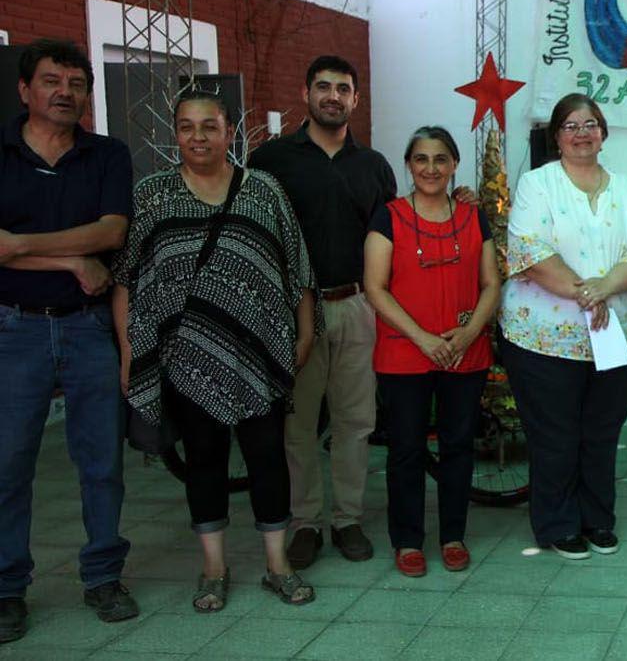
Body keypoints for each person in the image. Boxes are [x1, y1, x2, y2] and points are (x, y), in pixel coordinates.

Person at [113, 90, 318, 611]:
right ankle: (213, 568)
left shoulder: (263, 191)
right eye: (187, 127)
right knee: (203, 460)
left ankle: (277, 565)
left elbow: (297, 266)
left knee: (268, 459)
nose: (198, 137)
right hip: (187, 359)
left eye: (210, 126)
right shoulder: (154, 195)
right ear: (175, 133)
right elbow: (128, 279)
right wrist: (128, 355)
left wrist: (304, 331)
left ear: (231, 132)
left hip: (259, 354)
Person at [0, 39, 137, 642]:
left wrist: (23, 246)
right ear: (25, 89)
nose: (65, 92)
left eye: (76, 83)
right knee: (8, 463)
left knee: (101, 460)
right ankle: (7, 588)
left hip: (87, 328)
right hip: (13, 328)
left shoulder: (107, 154)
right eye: (52, 80)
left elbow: (111, 232)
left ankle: (103, 576)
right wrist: (73, 261)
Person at [247, 55, 395, 569]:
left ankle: (348, 519)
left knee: (356, 422)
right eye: (324, 87)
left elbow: (395, 236)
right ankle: (305, 522)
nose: (334, 96)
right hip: (293, 312)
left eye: (344, 89)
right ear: (306, 92)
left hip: (358, 305)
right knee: (299, 426)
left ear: (355, 99)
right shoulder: (271, 161)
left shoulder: (373, 166)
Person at [501, 94, 627, 559]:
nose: (582, 133)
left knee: (601, 431)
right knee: (555, 435)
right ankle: (557, 524)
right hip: (544, 339)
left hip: (615, 338)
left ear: (603, 132)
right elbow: (530, 250)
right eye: (571, 125)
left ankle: (597, 519)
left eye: (590, 124)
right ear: (557, 136)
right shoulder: (537, 184)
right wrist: (588, 292)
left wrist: (604, 286)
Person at [363, 126, 501, 577]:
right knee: (405, 449)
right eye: (421, 159)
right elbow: (375, 288)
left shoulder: (472, 217)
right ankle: (407, 540)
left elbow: (491, 284)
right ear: (409, 165)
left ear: (454, 164)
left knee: (459, 446)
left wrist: (466, 336)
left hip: (465, 352)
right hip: (406, 353)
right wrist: (423, 338)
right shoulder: (389, 217)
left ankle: (453, 535)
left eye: (440, 159)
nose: (430, 168)